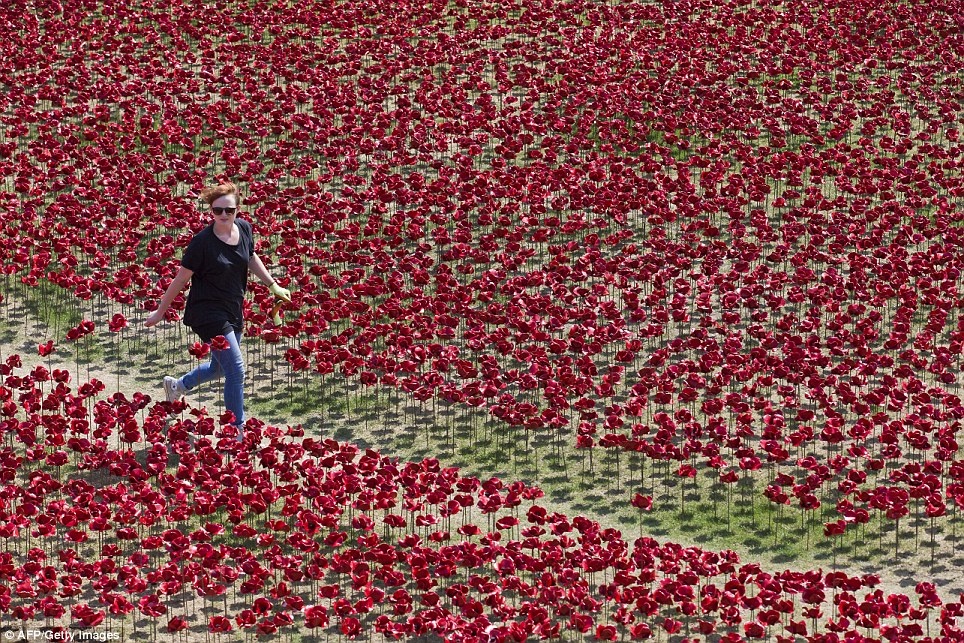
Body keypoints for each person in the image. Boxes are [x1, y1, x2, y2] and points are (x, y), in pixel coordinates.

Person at [145, 181, 290, 435]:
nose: (223, 215)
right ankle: (237, 429)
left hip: (233, 307)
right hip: (207, 313)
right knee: (236, 371)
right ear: (210, 211)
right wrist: (160, 312)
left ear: (238, 210)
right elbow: (181, 279)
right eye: (217, 210)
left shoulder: (244, 229)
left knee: (219, 367)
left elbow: (251, 256)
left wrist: (272, 285)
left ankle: (177, 386)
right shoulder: (202, 243)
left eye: (229, 210)